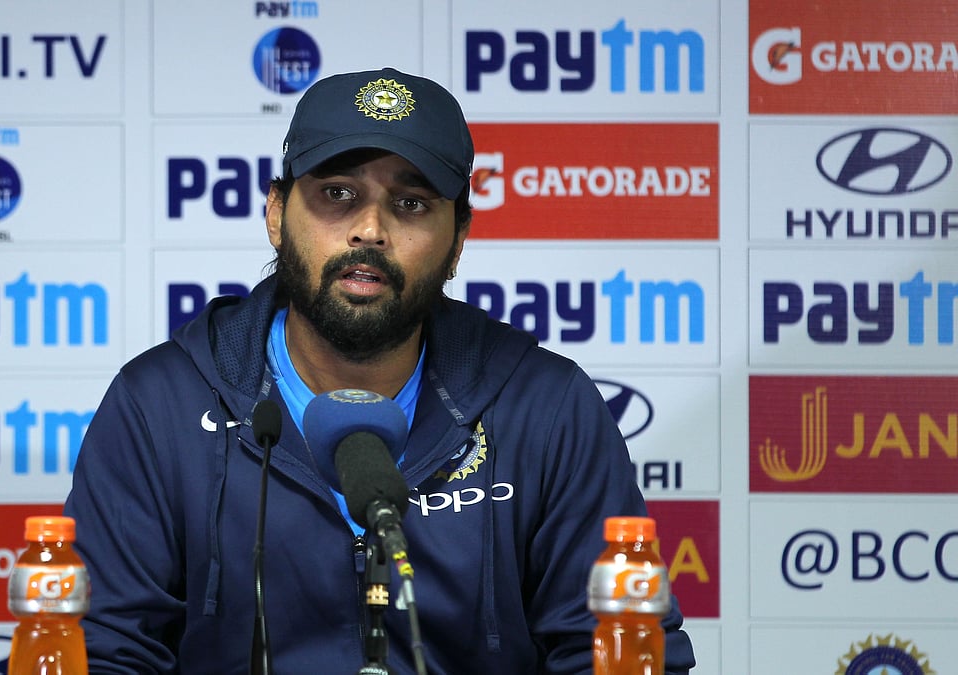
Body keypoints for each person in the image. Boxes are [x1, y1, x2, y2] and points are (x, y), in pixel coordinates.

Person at [64, 67, 696, 674]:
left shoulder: (544, 408)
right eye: (337, 195)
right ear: (277, 214)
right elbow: (101, 652)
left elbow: (616, 649)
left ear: (459, 238)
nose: (370, 230)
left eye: (412, 203)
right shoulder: (162, 405)